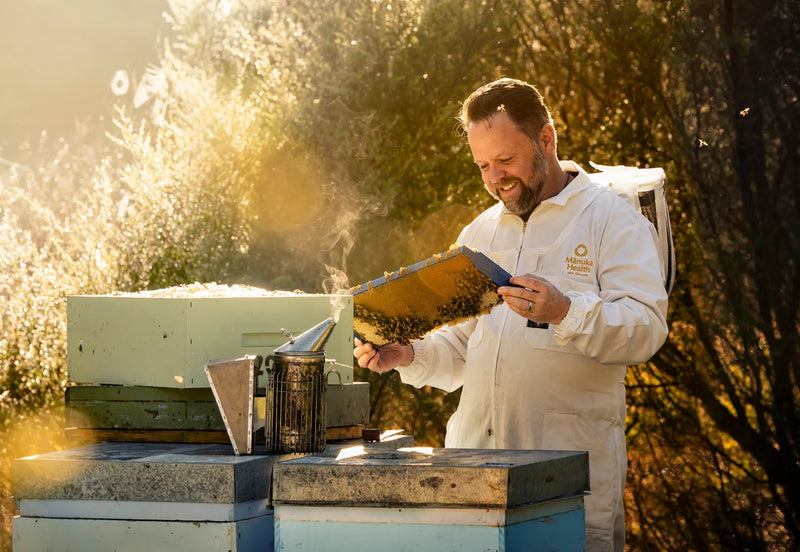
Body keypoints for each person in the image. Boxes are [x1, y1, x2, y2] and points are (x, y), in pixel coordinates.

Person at [353, 78, 669, 551]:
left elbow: (646, 331)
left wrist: (565, 310)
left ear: (547, 138)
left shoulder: (612, 220)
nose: (495, 177)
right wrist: (410, 353)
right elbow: (463, 349)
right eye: (483, 165)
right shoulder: (479, 232)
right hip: (473, 480)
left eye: (505, 160)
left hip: (567, 484)